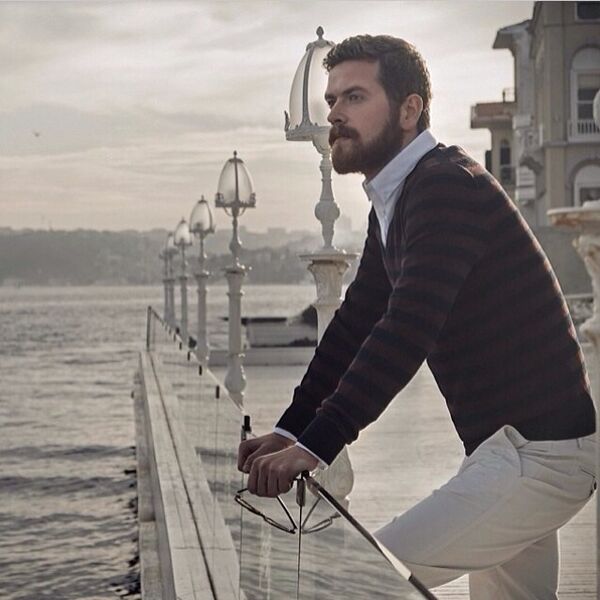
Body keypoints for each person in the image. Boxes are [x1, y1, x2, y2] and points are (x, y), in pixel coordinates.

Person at [237, 34, 597, 597]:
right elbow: (355, 325)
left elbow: (406, 329)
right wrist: (290, 429)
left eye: (355, 97)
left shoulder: (445, 188)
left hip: (536, 459)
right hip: (510, 455)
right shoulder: (401, 199)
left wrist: (316, 445)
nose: (334, 114)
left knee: (356, 582)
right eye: (331, 100)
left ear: (409, 110)